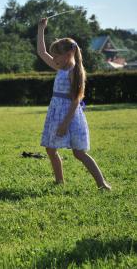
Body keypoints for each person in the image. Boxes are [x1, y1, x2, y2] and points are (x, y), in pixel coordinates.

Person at [37, 17, 111, 190]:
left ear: (68, 54)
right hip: (56, 112)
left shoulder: (73, 72)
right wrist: (41, 29)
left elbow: (77, 99)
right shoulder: (59, 67)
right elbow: (42, 52)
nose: (53, 58)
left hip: (69, 115)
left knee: (79, 153)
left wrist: (65, 123)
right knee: (50, 149)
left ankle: (102, 183)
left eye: (56, 55)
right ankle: (59, 181)